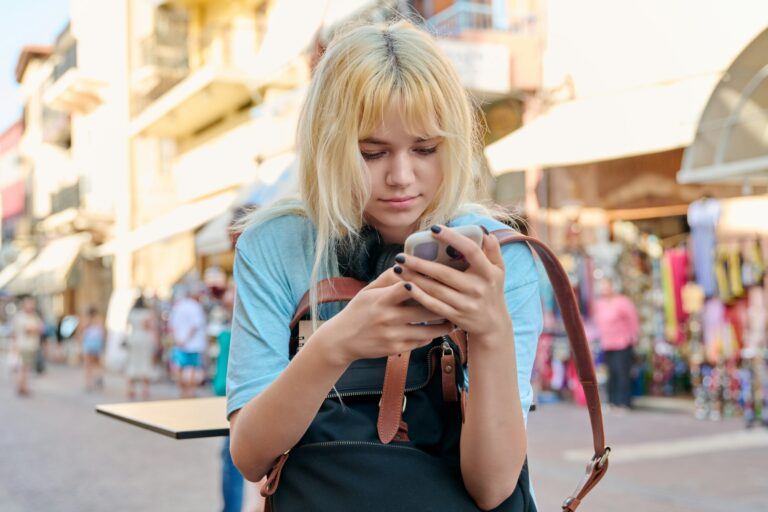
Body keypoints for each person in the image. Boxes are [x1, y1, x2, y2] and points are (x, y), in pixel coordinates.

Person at [227, 20, 542, 511]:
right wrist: (336, 344)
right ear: (326, 146)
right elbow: (250, 455)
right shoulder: (274, 244)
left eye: (425, 149)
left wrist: (492, 333)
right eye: (371, 152)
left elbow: (494, 487)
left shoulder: (497, 255)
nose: (400, 176)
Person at [212, 285, 248, 512]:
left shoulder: (246, 323)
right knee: (230, 457)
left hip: (241, 400)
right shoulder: (231, 322)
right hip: (227, 396)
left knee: (234, 460)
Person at [593, 277, 640, 410]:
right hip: (607, 344)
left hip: (622, 343)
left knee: (622, 373)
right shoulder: (599, 303)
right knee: (611, 374)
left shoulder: (623, 302)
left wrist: (633, 337)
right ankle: (612, 401)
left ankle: (624, 402)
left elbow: (633, 320)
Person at [168, 285, 207, 398]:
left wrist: (178, 339)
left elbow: (172, 325)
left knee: (180, 368)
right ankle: (190, 391)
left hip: (180, 342)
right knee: (192, 368)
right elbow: (195, 326)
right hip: (193, 344)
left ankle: (182, 390)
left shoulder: (178, 306)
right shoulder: (196, 306)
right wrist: (186, 339)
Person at [124, 296, 157, 400]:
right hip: (143, 338)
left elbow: (127, 325)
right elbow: (149, 326)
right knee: (145, 363)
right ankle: (145, 388)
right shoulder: (147, 313)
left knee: (132, 363)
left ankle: (130, 388)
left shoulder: (132, 313)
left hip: (133, 338)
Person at [11, 296, 44, 396]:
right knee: (23, 367)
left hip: (32, 345)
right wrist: (35, 328)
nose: (31, 306)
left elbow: (41, 328)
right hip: (24, 346)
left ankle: (23, 386)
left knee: (26, 367)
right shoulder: (20, 316)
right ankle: (22, 386)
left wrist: (35, 328)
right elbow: (27, 329)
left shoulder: (34, 316)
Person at [80, 306, 106, 392]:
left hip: (89, 343)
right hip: (96, 343)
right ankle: (98, 377)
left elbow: (82, 329)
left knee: (88, 364)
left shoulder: (88, 320)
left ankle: (89, 382)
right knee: (97, 363)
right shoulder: (99, 319)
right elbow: (103, 332)